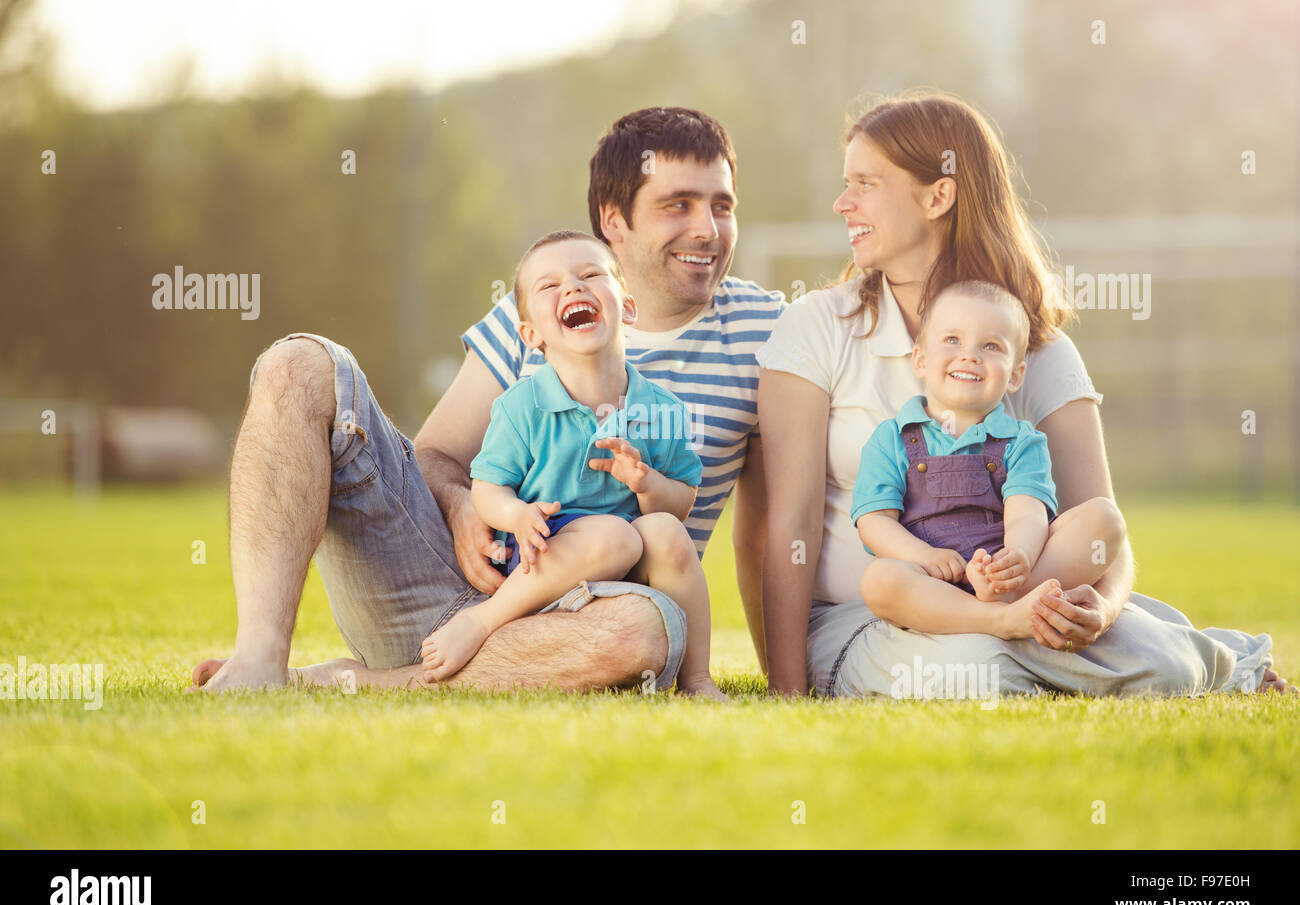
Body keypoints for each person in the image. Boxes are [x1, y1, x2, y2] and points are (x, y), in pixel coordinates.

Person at [190, 106, 783, 694]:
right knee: (297, 364)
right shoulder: (533, 310)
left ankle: (363, 684)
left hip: (583, 617)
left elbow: (771, 521)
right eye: (678, 204)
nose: (707, 227)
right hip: (446, 582)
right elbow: (435, 459)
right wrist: (464, 505)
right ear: (616, 222)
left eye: (722, 205)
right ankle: (259, 662)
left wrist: (788, 682)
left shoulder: (769, 331)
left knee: (645, 634)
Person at [758, 90, 1284, 699]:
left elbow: (1100, 530)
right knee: (976, 669)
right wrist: (787, 693)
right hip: (867, 618)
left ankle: (1197, 659)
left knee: (1165, 667)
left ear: (938, 195)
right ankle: (1174, 662)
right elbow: (790, 524)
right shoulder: (816, 326)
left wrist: (1105, 611)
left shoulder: (1038, 345)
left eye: (865, 184)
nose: (842, 203)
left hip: (1024, 595)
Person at [419, 230, 725, 700]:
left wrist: (647, 483)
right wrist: (516, 515)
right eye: (549, 286)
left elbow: (682, 501)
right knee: (615, 535)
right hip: (542, 560)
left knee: (664, 531)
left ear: (627, 307)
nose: (573, 288)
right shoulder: (522, 406)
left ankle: (696, 679)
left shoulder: (660, 409)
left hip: (625, 570)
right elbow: (486, 487)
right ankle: (482, 621)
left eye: (590, 275)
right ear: (531, 334)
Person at [856, 280, 1126, 637]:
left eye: (991, 346)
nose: (970, 355)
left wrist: (1018, 558)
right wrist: (923, 556)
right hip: (934, 581)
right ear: (920, 359)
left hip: (1008, 574)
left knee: (1104, 519)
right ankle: (1000, 620)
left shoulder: (1021, 441)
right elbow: (874, 521)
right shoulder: (891, 437)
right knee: (879, 580)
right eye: (952, 340)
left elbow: (1027, 510)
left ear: (1015, 376)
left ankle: (1012, 598)